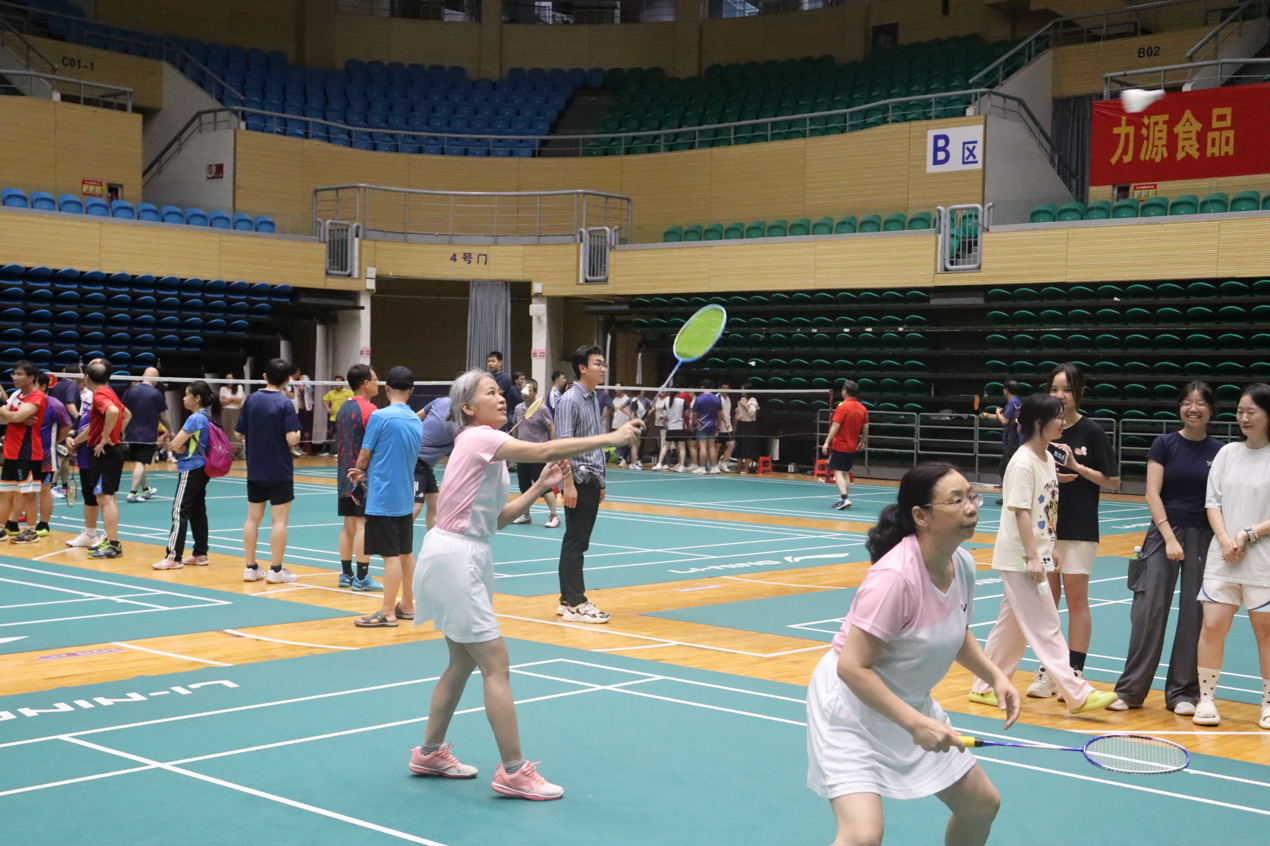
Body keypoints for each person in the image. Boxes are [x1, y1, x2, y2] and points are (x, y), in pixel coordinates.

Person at [408, 369, 641, 799]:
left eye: (500, 392)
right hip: (456, 557)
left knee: (461, 663)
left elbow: (496, 520)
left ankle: (429, 752)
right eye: (491, 393)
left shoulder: (486, 451)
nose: (502, 398)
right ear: (468, 408)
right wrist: (611, 438)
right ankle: (513, 771)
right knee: (496, 665)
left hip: (464, 552)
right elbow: (545, 447)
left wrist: (538, 486)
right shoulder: (479, 439)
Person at [808, 462, 1019, 846]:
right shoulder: (894, 578)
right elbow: (852, 667)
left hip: (910, 703)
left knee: (980, 805)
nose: (971, 508)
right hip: (851, 708)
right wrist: (915, 724)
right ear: (921, 516)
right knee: (862, 835)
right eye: (956, 500)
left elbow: (954, 631)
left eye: (971, 497)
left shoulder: (962, 564)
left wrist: (994, 675)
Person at [969, 394, 1119, 715]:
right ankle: (1077, 694)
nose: (1063, 422)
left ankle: (985, 686)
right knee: (1047, 624)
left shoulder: (1047, 458)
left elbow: (1048, 508)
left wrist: (1051, 547)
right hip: (1021, 557)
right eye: (1057, 417)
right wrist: (1034, 557)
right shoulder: (1022, 462)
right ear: (1039, 423)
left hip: (1036, 552)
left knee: (1011, 628)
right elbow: (1022, 512)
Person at [1110, 382, 1222, 715]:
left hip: (1204, 537)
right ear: (1179, 407)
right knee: (1149, 611)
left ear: (1211, 410)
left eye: (1200, 403)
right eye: (1187, 402)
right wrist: (1170, 538)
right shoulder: (1164, 445)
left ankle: (1183, 693)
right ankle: (1130, 691)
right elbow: (1152, 493)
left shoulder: (1221, 451)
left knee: (1194, 614)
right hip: (1163, 534)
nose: (1193, 408)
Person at [1029, 363, 1120, 700]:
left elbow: (1113, 481)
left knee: (1077, 600)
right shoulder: (1043, 431)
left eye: (1066, 389)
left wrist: (1077, 468)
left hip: (1079, 527)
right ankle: (1049, 670)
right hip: (1045, 528)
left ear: (1078, 392)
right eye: (1054, 389)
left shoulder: (1091, 432)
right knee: (1046, 602)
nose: (1060, 395)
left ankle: (1074, 671)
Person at [1193, 383, 1270, 729]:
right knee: (1212, 626)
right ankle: (1206, 700)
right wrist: (1225, 540)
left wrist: (1249, 534)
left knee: (1266, 633)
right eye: (1240, 411)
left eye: (1251, 411)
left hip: (1263, 561)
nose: (1243, 418)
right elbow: (1213, 502)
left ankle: (1268, 704)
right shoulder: (1227, 453)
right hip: (1224, 558)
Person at [351, 366, 424, 628]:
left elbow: (364, 455)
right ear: (411, 391)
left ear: (386, 388)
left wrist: (358, 473)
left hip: (382, 498)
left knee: (390, 556)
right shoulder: (416, 421)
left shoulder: (379, 417)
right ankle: (408, 604)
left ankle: (387, 612)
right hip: (405, 498)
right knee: (406, 553)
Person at [554, 344, 620, 623]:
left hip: (591, 478)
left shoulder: (593, 398)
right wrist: (568, 484)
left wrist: (601, 480)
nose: (603, 368)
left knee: (577, 540)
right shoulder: (570, 400)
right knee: (576, 542)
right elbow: (563, 444)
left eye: (604, 364)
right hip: (578, 479)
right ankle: (576, 604)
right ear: (582, 368)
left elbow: (593, 442)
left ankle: (566, 600)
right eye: (597, 363)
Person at [238, 358, 302, 583]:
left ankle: (250, 567)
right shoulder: (285, 403)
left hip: (255, 469)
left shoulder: (251, 400)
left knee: (252, 518)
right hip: (279, 471)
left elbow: (238, 433)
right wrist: (298, 433)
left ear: (265, 376)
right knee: (279, 520)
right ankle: (276, 570)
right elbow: (292, 438)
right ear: (288, 379)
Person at [152, 381, 220, 570]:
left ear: (196, 398)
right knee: (197, 511)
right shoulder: (206, 417)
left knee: (179, 511)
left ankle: (174, 557)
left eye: (187, 394)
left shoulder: (195, 419)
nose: (183, 398)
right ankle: (200, 554)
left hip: (191, 469)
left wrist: (170, 441)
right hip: (202, 468)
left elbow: (175, 444)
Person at [333, 363, 382, 591]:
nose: (378, 382)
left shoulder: (343, 408)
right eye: (375, 379)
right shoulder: (370, 410)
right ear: (366, 383)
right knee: (363, 526)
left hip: (344, 475)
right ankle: (362, 577)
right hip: (362, 477)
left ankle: (346, 574)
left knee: (348, 526)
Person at [78, 361, 130, 559]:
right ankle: (110, 540)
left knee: (105, 499)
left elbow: (114, 412)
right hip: (112, 451)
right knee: (108, 497)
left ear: (87, 378)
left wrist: (106, 437)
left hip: (106, 452)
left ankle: (114, 545)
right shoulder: (110, 392)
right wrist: (115, 433)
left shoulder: (99, 395)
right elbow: (127, 414)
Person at [0, 361, 47, 544]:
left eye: (19, 374)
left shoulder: (37, 397)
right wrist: (12, 416)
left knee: (28, 493)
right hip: (11, 451)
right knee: (5, 493)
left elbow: (16, 416)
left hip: (27, 452)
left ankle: (31, 531)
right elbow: (7, 419)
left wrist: (10, 414)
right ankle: (1, 528)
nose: (14, 377)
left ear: (31, 377)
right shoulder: (16, 395)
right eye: (13, 374)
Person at [64, 358, 105, 549]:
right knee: (88, 494)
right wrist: (71, 434)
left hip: (98, 450)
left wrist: (77, 440)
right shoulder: (87, 394)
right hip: (84, 451)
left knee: (104, 496)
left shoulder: (104, 396)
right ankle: (90, 534)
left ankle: (110, 537)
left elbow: (100, 423)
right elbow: (81, 417)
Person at [510, 378, 560, 528]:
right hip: (522, 454)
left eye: (529, 391)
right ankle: (525, 515)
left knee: (544, 486)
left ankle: (554, 515)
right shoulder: (518, 409)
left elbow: (551, 429)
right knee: (524, 486)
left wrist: (553, 449)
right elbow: (516, 428)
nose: (525, 393)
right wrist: (513, 447)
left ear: (536, 392)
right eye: (523, 390)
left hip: (538, 454)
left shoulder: (542, 409)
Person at [122, 367, 170, 503]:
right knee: (141, 462)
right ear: (156, 378)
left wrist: (122, 430)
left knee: (139, 461)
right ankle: (133, 493)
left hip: (131, 433)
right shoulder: (156, 394)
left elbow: (122, 411)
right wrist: (170, 430)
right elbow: (163, 416)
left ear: (144, 375)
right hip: (147, 435)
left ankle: (145, 489)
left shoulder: (130, 391)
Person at [414, 394, 461, 530]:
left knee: (434, 504)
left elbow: (416, 417)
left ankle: (432, 539)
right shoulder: (463, 425)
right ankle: (397, 542)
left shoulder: (441, 401)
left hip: (425, 464)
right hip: (415, 461)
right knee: (415, 506)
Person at [34, 372, 71, 538]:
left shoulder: (55, 404)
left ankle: (43, 523)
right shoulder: (24, 401)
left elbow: (67, 425)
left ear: (43, 386)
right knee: (22, 489)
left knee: (44, 489)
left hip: (45, 454)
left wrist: (54, 441)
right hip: (25, 452)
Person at [823, 380, 869, 510]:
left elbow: (836, 425)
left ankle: (844, 498)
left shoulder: (842, 406)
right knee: (845, 473)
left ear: (845, 391)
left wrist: (826, 442)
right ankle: (845, 499)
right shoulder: (862, 408)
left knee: (837, 471)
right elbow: (866, 427)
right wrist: (862, 442)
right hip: (852, 446)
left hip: (840, 445)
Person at [980, 380, 1021, 505]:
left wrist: (997, 413)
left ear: (1006, 390)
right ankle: (1010, 496)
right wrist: (988, 415)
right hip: (1015, 440)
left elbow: (1004, 421)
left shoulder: (1011, 403)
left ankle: (1011, 497)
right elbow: (1005, 417)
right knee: (1006, 469)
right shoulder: (1017, 402)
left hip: (1011, 441)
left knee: (1005, 469)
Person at [47, 366, 81, 498]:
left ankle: (65, 486)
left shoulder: (57, 385)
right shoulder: (72, 386)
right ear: (78, 373)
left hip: (56, 423)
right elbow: (69, 404)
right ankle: (52, 486)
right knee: (60, 456)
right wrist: (79, 419)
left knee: (66, 456)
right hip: (66, 425)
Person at [691, 379, 723, 474]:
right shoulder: (717, 399)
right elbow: (720, 414)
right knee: (712, 446)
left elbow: (695, 414)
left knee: (703, 446)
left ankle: (702, 468)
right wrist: (718, 424)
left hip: (702, 425)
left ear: (702, 387)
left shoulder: (699, 399)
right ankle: (714, 467)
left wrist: (693, 424)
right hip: (713, 424)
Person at [657, 386, 688, 471]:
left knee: (665, 446)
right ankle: (681, 466)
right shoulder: (682, 401)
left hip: (670, 427)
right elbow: (687, 413)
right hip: (680, 427)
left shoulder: (666, 401)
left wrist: (669, 419)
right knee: (681, 447)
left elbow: (665, 415)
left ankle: (659, 463)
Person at [321, 375, 354, 456]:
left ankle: (343, 451)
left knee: (344, 434)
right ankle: (329, 451)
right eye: (336, 382)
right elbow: (324, 400)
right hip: (334, 417)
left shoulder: (348, 392)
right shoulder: (331, 393)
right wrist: (328, 408)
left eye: (339, 382)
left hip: (344, 418)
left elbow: (355, 400)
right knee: (332, 435)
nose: (337, 384)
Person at [733, 382, 760, 474]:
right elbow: (739, 414)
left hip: (749, 426)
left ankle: (746, 468)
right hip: (741, 425)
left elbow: (752, 412)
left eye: (743, 389)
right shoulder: (742, 399)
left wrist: (744, 405)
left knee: (748, 447)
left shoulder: (753, 400)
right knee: (739, 446)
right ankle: (739, 467)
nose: (741, 391)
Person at [288, 365, 314, 456]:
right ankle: (292, 448)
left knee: (300, 429)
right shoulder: (289, 381)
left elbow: (303, 388)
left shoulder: (300, 379)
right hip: (291, 409)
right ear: (296, 372)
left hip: (300, 409)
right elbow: (298, 390)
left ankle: (298, 447)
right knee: (292, 429)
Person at [220, 373, 245, 456]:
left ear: (234, 379)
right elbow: (222, 402)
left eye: (230, 378)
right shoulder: (223, 388)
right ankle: (227, 450)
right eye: (226, 379)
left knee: (234, 430)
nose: (228, 381)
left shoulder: (239, 387)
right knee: (226, 429)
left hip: (236, 411)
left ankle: (235, 451)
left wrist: (228, 399)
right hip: (225, 411)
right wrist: (233, 398)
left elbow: (239, 399)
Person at [611, 383, 632, 467]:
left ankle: (624, 458)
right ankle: (618, 458)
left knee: (625, 442)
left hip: (625, 423)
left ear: (622, 389)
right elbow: (612, 410)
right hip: (616, 424)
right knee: (617, 442)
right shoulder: (614, 400)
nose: (616, 389)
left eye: (618, 387)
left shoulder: (628, 399)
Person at [717, 381, 735, 472]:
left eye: (727, 388)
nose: (726, 390)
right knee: (717, 447)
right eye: (724, 388)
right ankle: (714, 464)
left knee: (731, 444)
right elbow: (721, 412)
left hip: (728, 427)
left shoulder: (728, 398)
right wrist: (725, 422)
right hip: (719, 427)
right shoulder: (718, 397)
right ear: (719, 388)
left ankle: (723, 462)